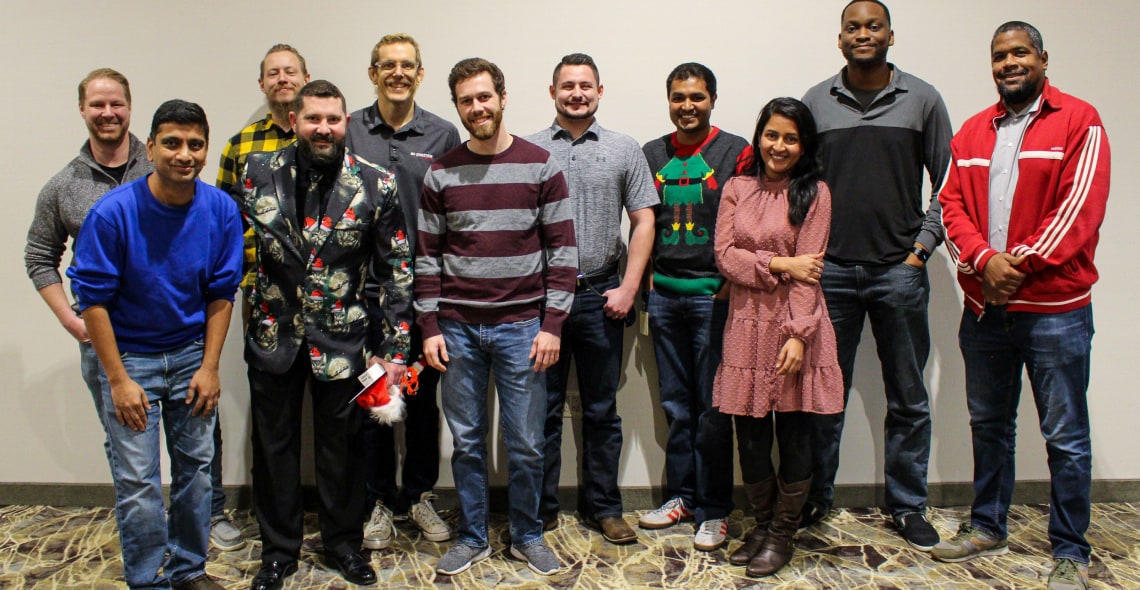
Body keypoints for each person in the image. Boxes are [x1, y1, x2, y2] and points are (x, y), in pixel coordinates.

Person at [932, 22, 1110, 590]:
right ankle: (988, 525)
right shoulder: (972, 133)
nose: (1009, 63)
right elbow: (950, 205)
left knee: (1065, 436)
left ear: (1042, 59)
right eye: (999, 56)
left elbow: (1078, 212)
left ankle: (1070, 551)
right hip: (986, 312)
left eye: (1019, 53)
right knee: (989, 425)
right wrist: (985, 261)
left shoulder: (1080, 122)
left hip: (1055, 311)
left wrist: (1017, 264)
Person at [236, 80, 413, 590]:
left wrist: (395, 348)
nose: (324, 128)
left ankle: (343, 545)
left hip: (345, 342)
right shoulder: (257, 174)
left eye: (333, 119)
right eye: (313, 118)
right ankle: (278, 552)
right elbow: (226, 242)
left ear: (346, 123)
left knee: (343, 453)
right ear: (294, 120)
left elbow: (398, 270)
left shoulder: (376, 183)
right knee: (274, 451)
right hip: (274, 339)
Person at [68, 99, 242, 590]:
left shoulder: (221, 210)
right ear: (151, 147)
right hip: (130, 360)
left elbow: (221, 294)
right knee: (140, 483)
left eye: (195, 144)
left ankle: (189, 571)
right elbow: (93, 301)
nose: (183, 154)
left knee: (196, 474)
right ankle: (148, 580)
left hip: (190, 356)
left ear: (206, 150)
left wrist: (209, 367)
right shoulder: (113, 213)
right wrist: (118, 380)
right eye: (172, 143)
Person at [800, 0, 952, 550]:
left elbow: (949, 182)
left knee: (908, 396)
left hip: (898, 272)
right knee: (822, 395)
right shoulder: (816, 102)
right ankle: (816, 496)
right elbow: (802, 187)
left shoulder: (923, 99)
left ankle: (908, 505)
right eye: (852, 27)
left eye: (873, 26)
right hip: (832, 274)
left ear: (891, 34)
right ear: (839, 38)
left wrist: (921, 249)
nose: (863, 34)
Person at [418, 58, 576, 576]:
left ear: (502, 98)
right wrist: (429, 327)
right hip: (457, 329)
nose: (477, 107)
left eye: (484, 97)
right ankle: (472, 536)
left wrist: (551, 325)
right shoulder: (440, 172)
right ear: (458, 107)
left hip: (521, 329)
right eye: (466, 100)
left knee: (526, 443)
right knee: (466, 442)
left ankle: (527, 535)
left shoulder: (541, 165)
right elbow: (426, 257)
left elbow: (562, 254)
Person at [526, 52, 658, 545]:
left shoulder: (625, 149)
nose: (576, 93)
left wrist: (628, 285)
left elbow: (645, 219)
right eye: (567, 86)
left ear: (599, 92)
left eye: (586, 86)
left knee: (602, 409)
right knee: (542, 410)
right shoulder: (529, 150)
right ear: (553, 92)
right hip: (543, 303)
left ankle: (605, 507)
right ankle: (540, 510)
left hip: (603, 295)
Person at [714, 97, 844, 577]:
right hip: (745, 324)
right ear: (759, 135)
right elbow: (725, 257)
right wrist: (779, 263)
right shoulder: (737, 187)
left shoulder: (815, 193)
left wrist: (797, 335)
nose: (780, 145)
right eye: (773, 134)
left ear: (804, 143)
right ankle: (764, 525)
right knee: (748, 434)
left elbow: (810, 273)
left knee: (794, 433)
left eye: (791, 137)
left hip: (795, 325)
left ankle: (782, 534)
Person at [345, 32, 460, 549]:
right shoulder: (348, 131)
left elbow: (458, 210)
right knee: (372, 400)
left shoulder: (442, 134)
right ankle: (375, 503)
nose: (397, 72)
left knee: (418, 398)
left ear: (419, 74)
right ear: (373, 73)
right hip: (365, 299)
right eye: (387, 65)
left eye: (407, 65)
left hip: (424, 300)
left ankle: (418, 495)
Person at [640, 62, 751, 552]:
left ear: (713, 99)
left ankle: (714, 509)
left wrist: (729, 281)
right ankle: (682, 497)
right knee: (676, 406)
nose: (688, 106)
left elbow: (749, 220)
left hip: (712, 299)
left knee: (711, 409)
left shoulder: (737, 151)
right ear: (668, 100)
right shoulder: (651, 154)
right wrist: (644, 285)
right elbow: (642, 225)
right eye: (679, 97)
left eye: (697, 97)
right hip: (664, 297)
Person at [208, 43, 311, 552]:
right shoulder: (239, 145)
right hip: (267, 302)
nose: (282, 78)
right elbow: (226, 223)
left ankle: (342, 534)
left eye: (291, 70)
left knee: (341, 431)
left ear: (306, 78)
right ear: (262, 84)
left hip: (335, 310)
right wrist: (256, 273)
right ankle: (278, 542)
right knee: (275, 430)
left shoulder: (330, 133)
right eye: (273, 72)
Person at [24, 68, 152, 467]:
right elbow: (39, 256)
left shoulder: (159, 168)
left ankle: (201, 518)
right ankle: (138, 525)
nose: (108, 112)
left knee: (190, 440)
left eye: (116, 103)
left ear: (130, 108)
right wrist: (70, 320)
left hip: (167, 330)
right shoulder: (62, 186)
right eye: (98, 104)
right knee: (123, 441)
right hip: (103, 334)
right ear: (82, 109)